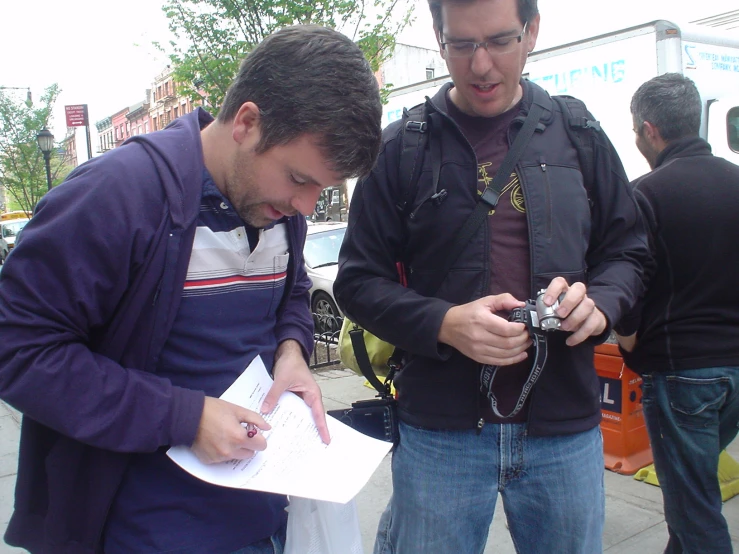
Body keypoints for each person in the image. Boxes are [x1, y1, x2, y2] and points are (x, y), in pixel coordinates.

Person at [0, 25, 382, 554]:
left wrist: (291, 350)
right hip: (140, 532)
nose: (305, 206)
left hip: (264, 522)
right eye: (299, 179)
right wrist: (184, 416)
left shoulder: (273, 206)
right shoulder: (117, 195)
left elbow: (291, 290)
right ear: (247, 123)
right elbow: (18, 349)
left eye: (322, 189)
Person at [333, 0, 650, 552]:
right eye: (462, 45)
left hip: (565, 429)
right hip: (439, 434)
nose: (481, 66)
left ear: (531, 32)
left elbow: (629, 251)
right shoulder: (402, 146)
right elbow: (357, 281)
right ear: (438, 37)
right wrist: (444, 322)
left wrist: (599, 303)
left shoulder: (577, 133)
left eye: (500, 41)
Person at [615, 73, 739, 554]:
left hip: (683, 374)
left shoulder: (646, 193)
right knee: (692, 495)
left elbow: (628, 279)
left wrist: (626, 338)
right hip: (734, 376)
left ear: (650, 130)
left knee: (695, 509)